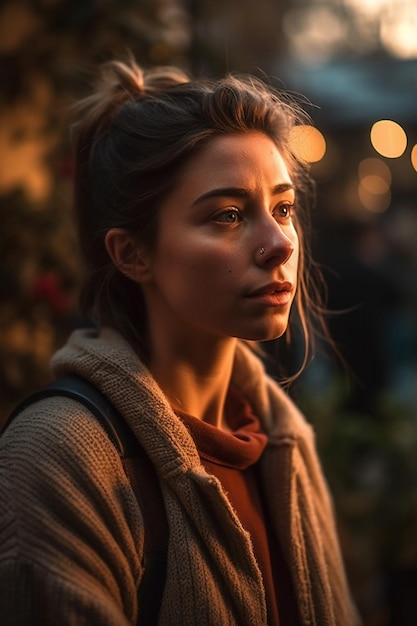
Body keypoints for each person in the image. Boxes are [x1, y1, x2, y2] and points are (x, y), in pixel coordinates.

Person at [0, 57, 360, 625]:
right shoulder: (61, 457)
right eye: (228, 215)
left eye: (284, 208)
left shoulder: (284, 438)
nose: (278, 244)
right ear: (133, 254)